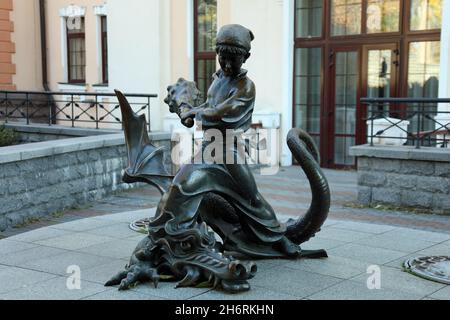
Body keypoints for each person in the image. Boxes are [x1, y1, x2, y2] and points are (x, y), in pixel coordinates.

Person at [151, 24, 300, 257]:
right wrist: (190, 110)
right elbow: (210, 106)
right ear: (217, 55)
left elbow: (226, 110)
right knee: (181, 185)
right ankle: (171, 234)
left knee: (250, 198)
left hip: (229, 150)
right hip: (209, 148)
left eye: (234, 60)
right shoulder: (218, 79)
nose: (228, 65)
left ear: (246, 57)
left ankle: (279, 239)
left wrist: (197, 113)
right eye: (224, 58)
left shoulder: (246, 86)